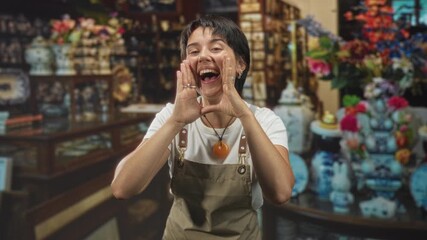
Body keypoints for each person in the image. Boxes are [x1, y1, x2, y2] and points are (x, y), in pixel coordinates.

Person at [111, 14, 295, 239]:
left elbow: (281, 193)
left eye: (216, 48)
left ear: (240, 64)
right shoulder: (172, 116)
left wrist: (245, 116)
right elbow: (122, 188)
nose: (203, 56)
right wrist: (176, 123)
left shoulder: (265, 120)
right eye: (194, 51)